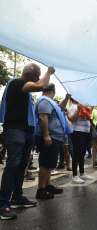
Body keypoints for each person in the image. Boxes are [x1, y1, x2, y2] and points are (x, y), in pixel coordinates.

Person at [0, 64, 55, 220]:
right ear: (28, 74)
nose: (38, 78)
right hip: (15, 129)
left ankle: (17, 198)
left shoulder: (25, 89)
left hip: (27, 130)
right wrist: (48, 72)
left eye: (39, 75)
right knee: (13, 163)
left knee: (22, 164)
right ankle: (3, 203)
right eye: (36, 75)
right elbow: (40, 85)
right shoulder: (16, 83)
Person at [34, 84, 71, 199]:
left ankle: (48, 185)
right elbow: (42, 117)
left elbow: (60, 108)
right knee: (45, 163)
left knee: (49, 163)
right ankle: (41, 190)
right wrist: (46, 136)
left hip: (53, 137)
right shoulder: (45, 101)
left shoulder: (49, 102)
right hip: (49, 137)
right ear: (54, 91)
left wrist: (66, 99)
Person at [68, 99, 93, 184]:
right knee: (76, 154)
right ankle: (74, 175)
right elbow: (72, 119)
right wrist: (78, 109)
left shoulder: (85, 107)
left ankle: (82, 173)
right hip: (77, 132)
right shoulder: (73, 107)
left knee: (82, 153)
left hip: (85, 132)